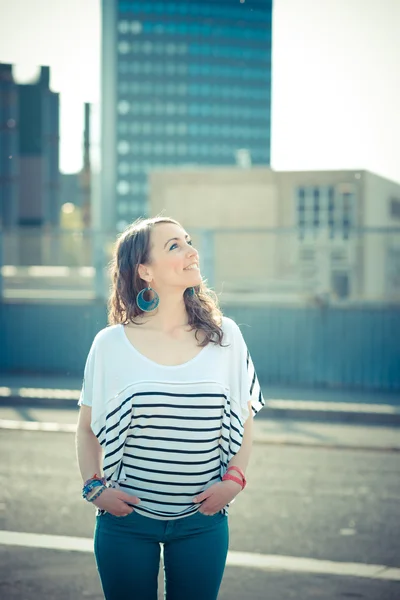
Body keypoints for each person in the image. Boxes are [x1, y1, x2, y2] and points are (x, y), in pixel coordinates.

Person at [75, 216, 265, 600]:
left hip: (203, 522)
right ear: (144, 270)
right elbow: (85, 428)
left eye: (189, 241)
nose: (192, 251)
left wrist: (235, 481)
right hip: (125, 523)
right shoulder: (110, 343)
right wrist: (94, 488)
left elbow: (244, 419)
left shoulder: (226, 336)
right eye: (174, 246)